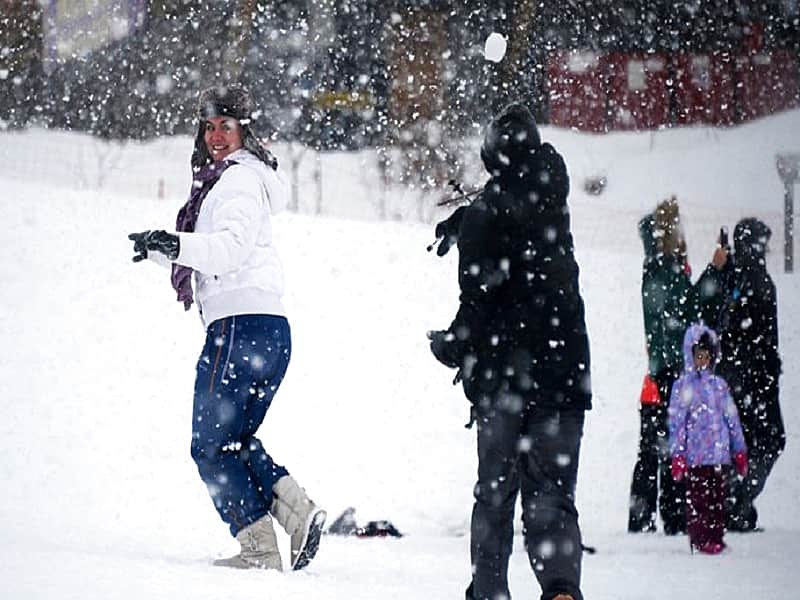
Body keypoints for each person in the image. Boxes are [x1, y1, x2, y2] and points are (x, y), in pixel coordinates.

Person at [127, 85, 325, 570]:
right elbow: (220, 254)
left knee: (210, 447)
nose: (216, 136)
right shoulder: (240, 179)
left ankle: (259, 549)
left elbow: (229, 251)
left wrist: (177, 245)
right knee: (233, 441)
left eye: (226, 126)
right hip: (266, 329)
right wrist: (162, 250)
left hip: (239, 328)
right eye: (209, 127)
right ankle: (297, 513)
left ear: (245, 131)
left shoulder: (236, 181)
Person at [429, 102, 591, 600]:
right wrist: (469, 220)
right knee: (552, 498)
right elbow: (521, 226)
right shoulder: (552, 196)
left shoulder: (487, 214)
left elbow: (480, 298)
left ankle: (490, 592)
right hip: (564, 372)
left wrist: (451, 345)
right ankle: (561, 589)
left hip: (506, 377)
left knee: (495, 497)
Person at [710, 218, 785, 531]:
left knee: (741, 441)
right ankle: (738, 501)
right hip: (755, 377)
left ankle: (734, 503)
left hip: (735, 375)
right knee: (769, 440)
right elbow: (763, 336)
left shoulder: (736, 277)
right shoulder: (758, 280)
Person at [668, 323, 748, 554]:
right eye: (699, 356)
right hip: (696, 457)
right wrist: (678, 454)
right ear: (690, 356)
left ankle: (716, 536)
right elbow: (677, 424)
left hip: (718, 456)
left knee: (717, 500)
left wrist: (739, 449)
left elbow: (732, 418)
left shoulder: (719, 386)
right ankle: (701, 538)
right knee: (699, 501)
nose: (703, 361)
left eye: (707, 356)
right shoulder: (683, 387)